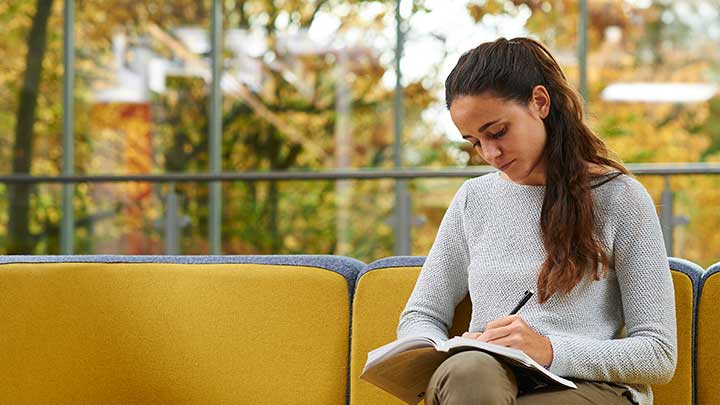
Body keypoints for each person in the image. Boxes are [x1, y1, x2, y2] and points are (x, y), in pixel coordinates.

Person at [397, 37, 676, 405]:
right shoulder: (473, 199)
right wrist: (452, 346)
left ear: (540, 102)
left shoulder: (620, 198)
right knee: (469, 371)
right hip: (484, 382)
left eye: (498, 132)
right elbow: (420, 315)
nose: (490, 154)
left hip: (586, 389)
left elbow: (658, 353)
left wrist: (548, 350)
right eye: (474, 142)